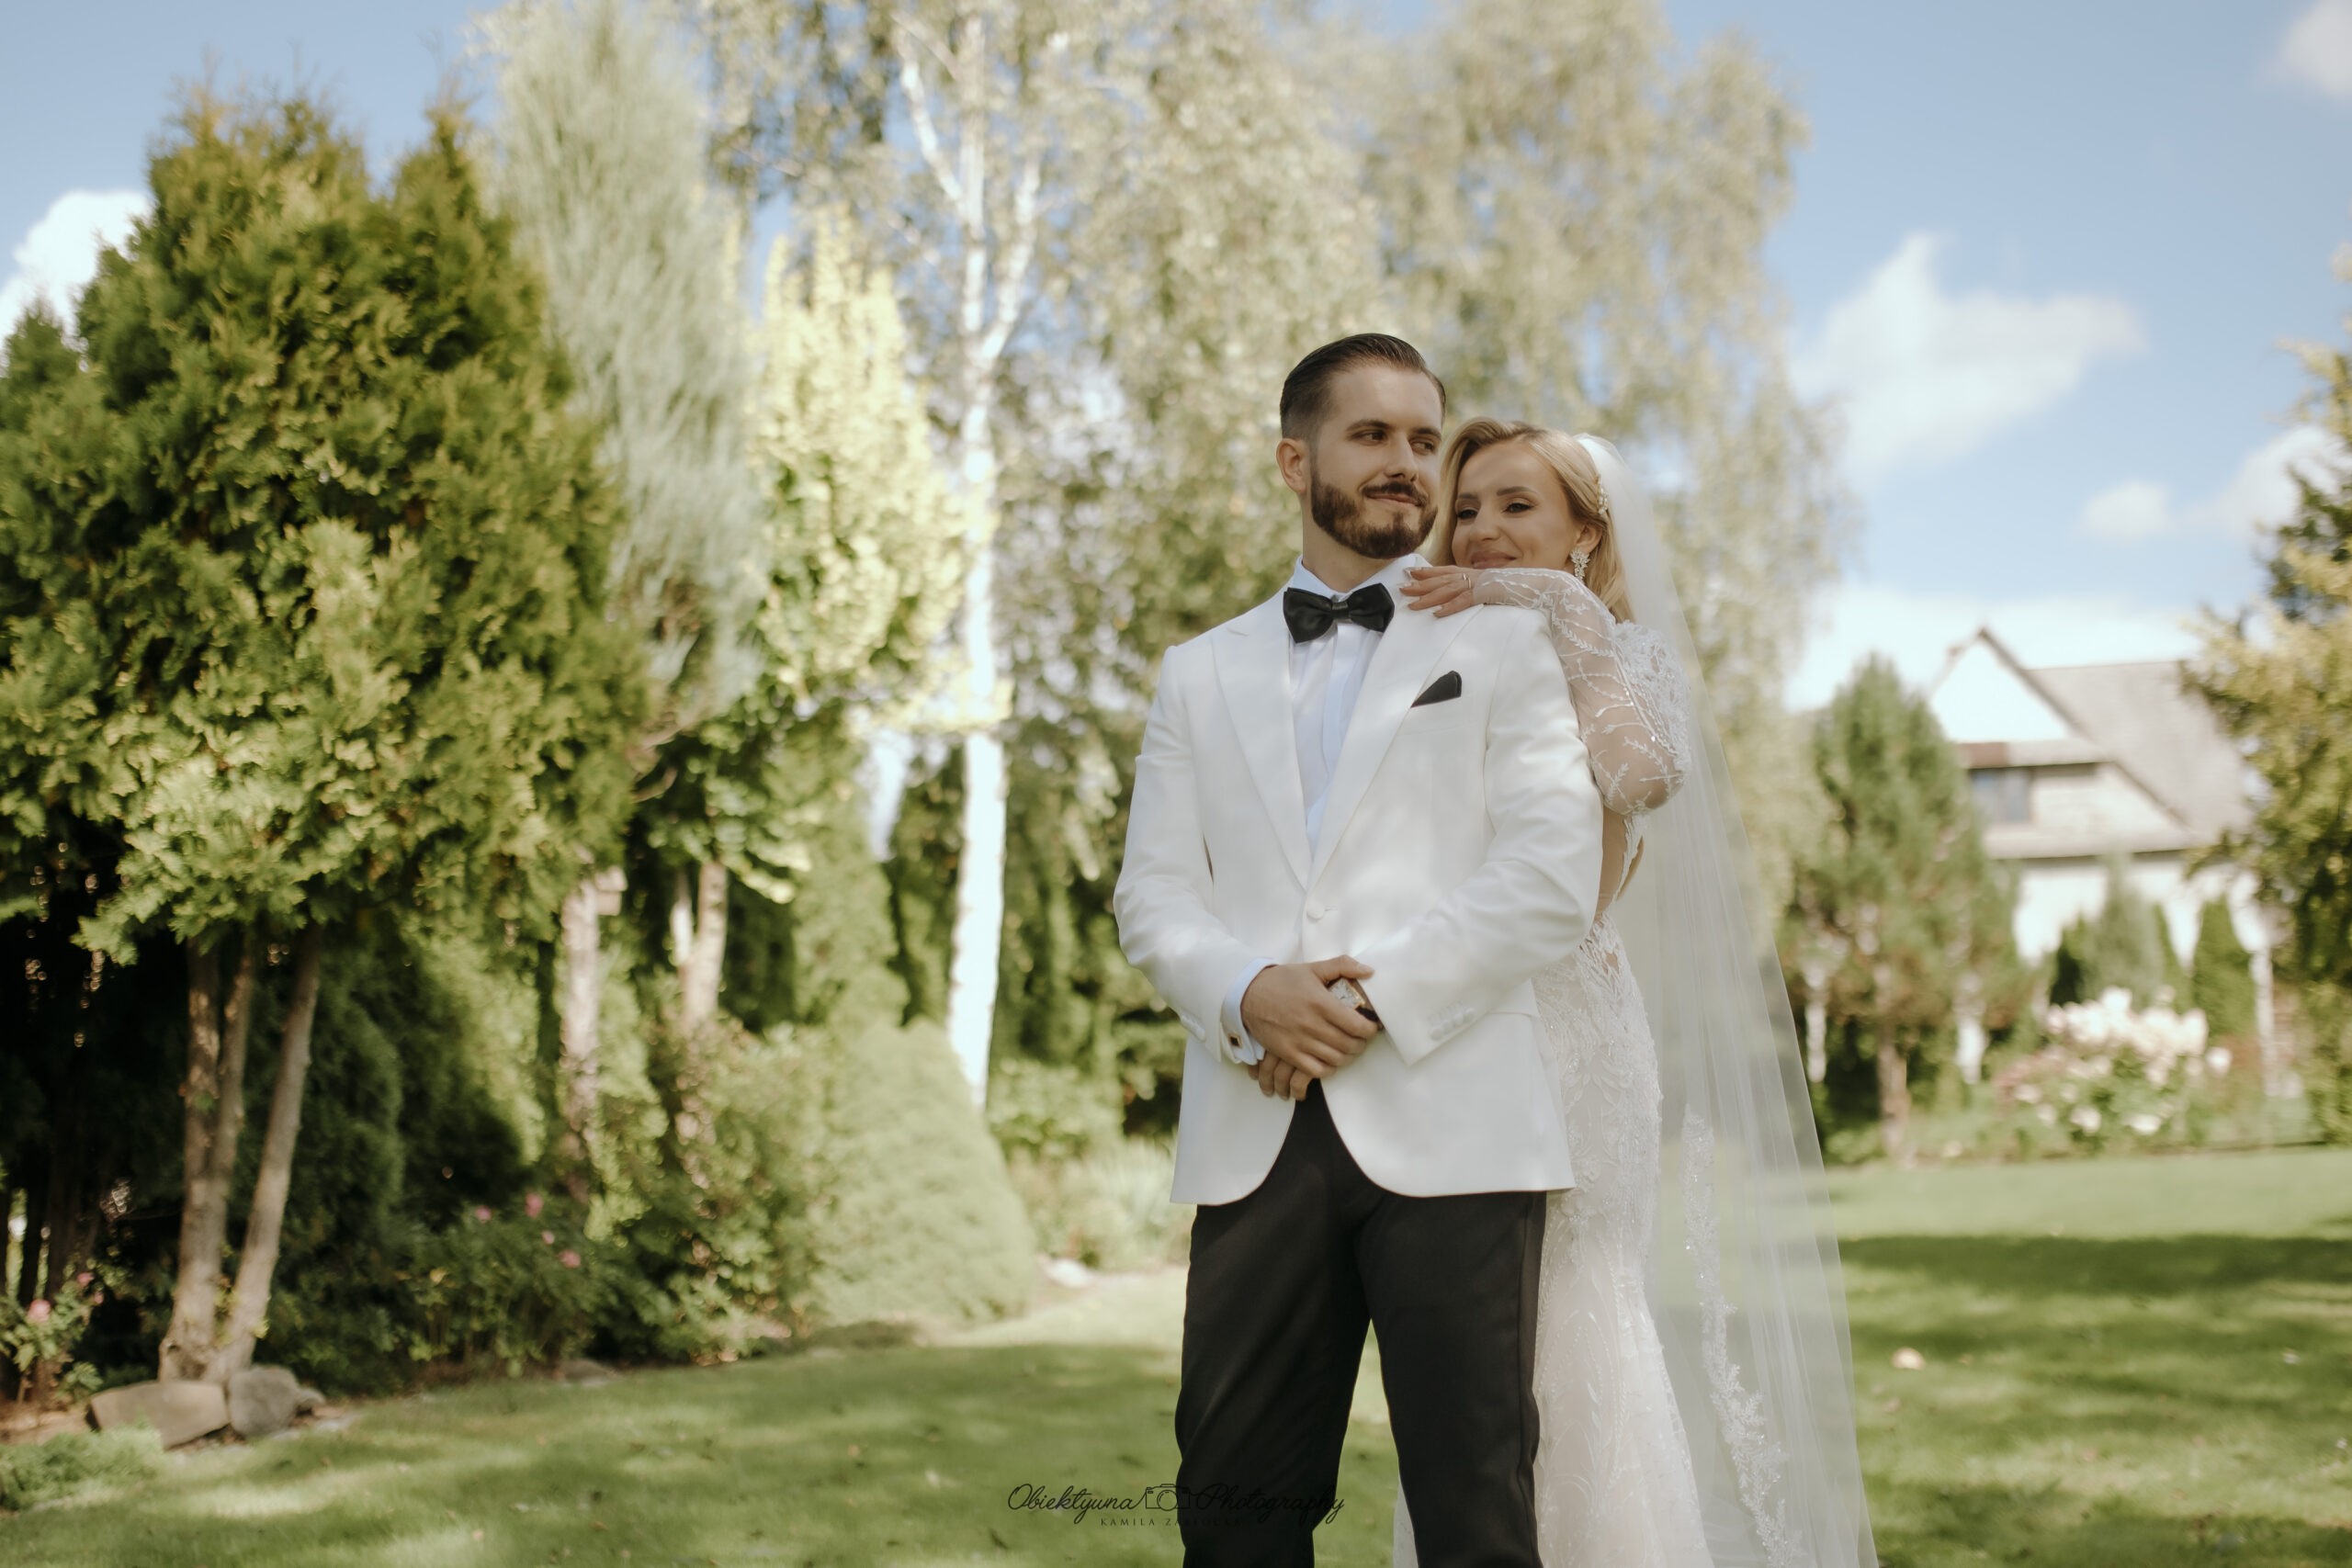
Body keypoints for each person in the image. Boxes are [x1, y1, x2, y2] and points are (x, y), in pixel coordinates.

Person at [1113, 336, 1606, 1566]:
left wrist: (1352, 1007)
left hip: (1460, 1127)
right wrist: (1250, 992)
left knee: (1477, 1518)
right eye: (1372, 435)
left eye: (1423, 439)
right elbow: (1153, 894)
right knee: (1233, 1513)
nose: (1407, 463)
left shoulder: (1510, 646)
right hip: (1254, 1136)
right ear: (1296, 461)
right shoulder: (1196, 673)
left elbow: (1548, 876)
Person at [1394, 422, 1877, 1568]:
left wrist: (1564, 616)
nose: (1482, 530)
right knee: (1462, 1349)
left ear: (1586, 532)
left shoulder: (1613, 653)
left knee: (1578, 1316)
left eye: (1518, 506)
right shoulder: (1432, 659)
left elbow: (1641, 775)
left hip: (1571, 1030)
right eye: (1468, 508)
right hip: (1449, 1025)